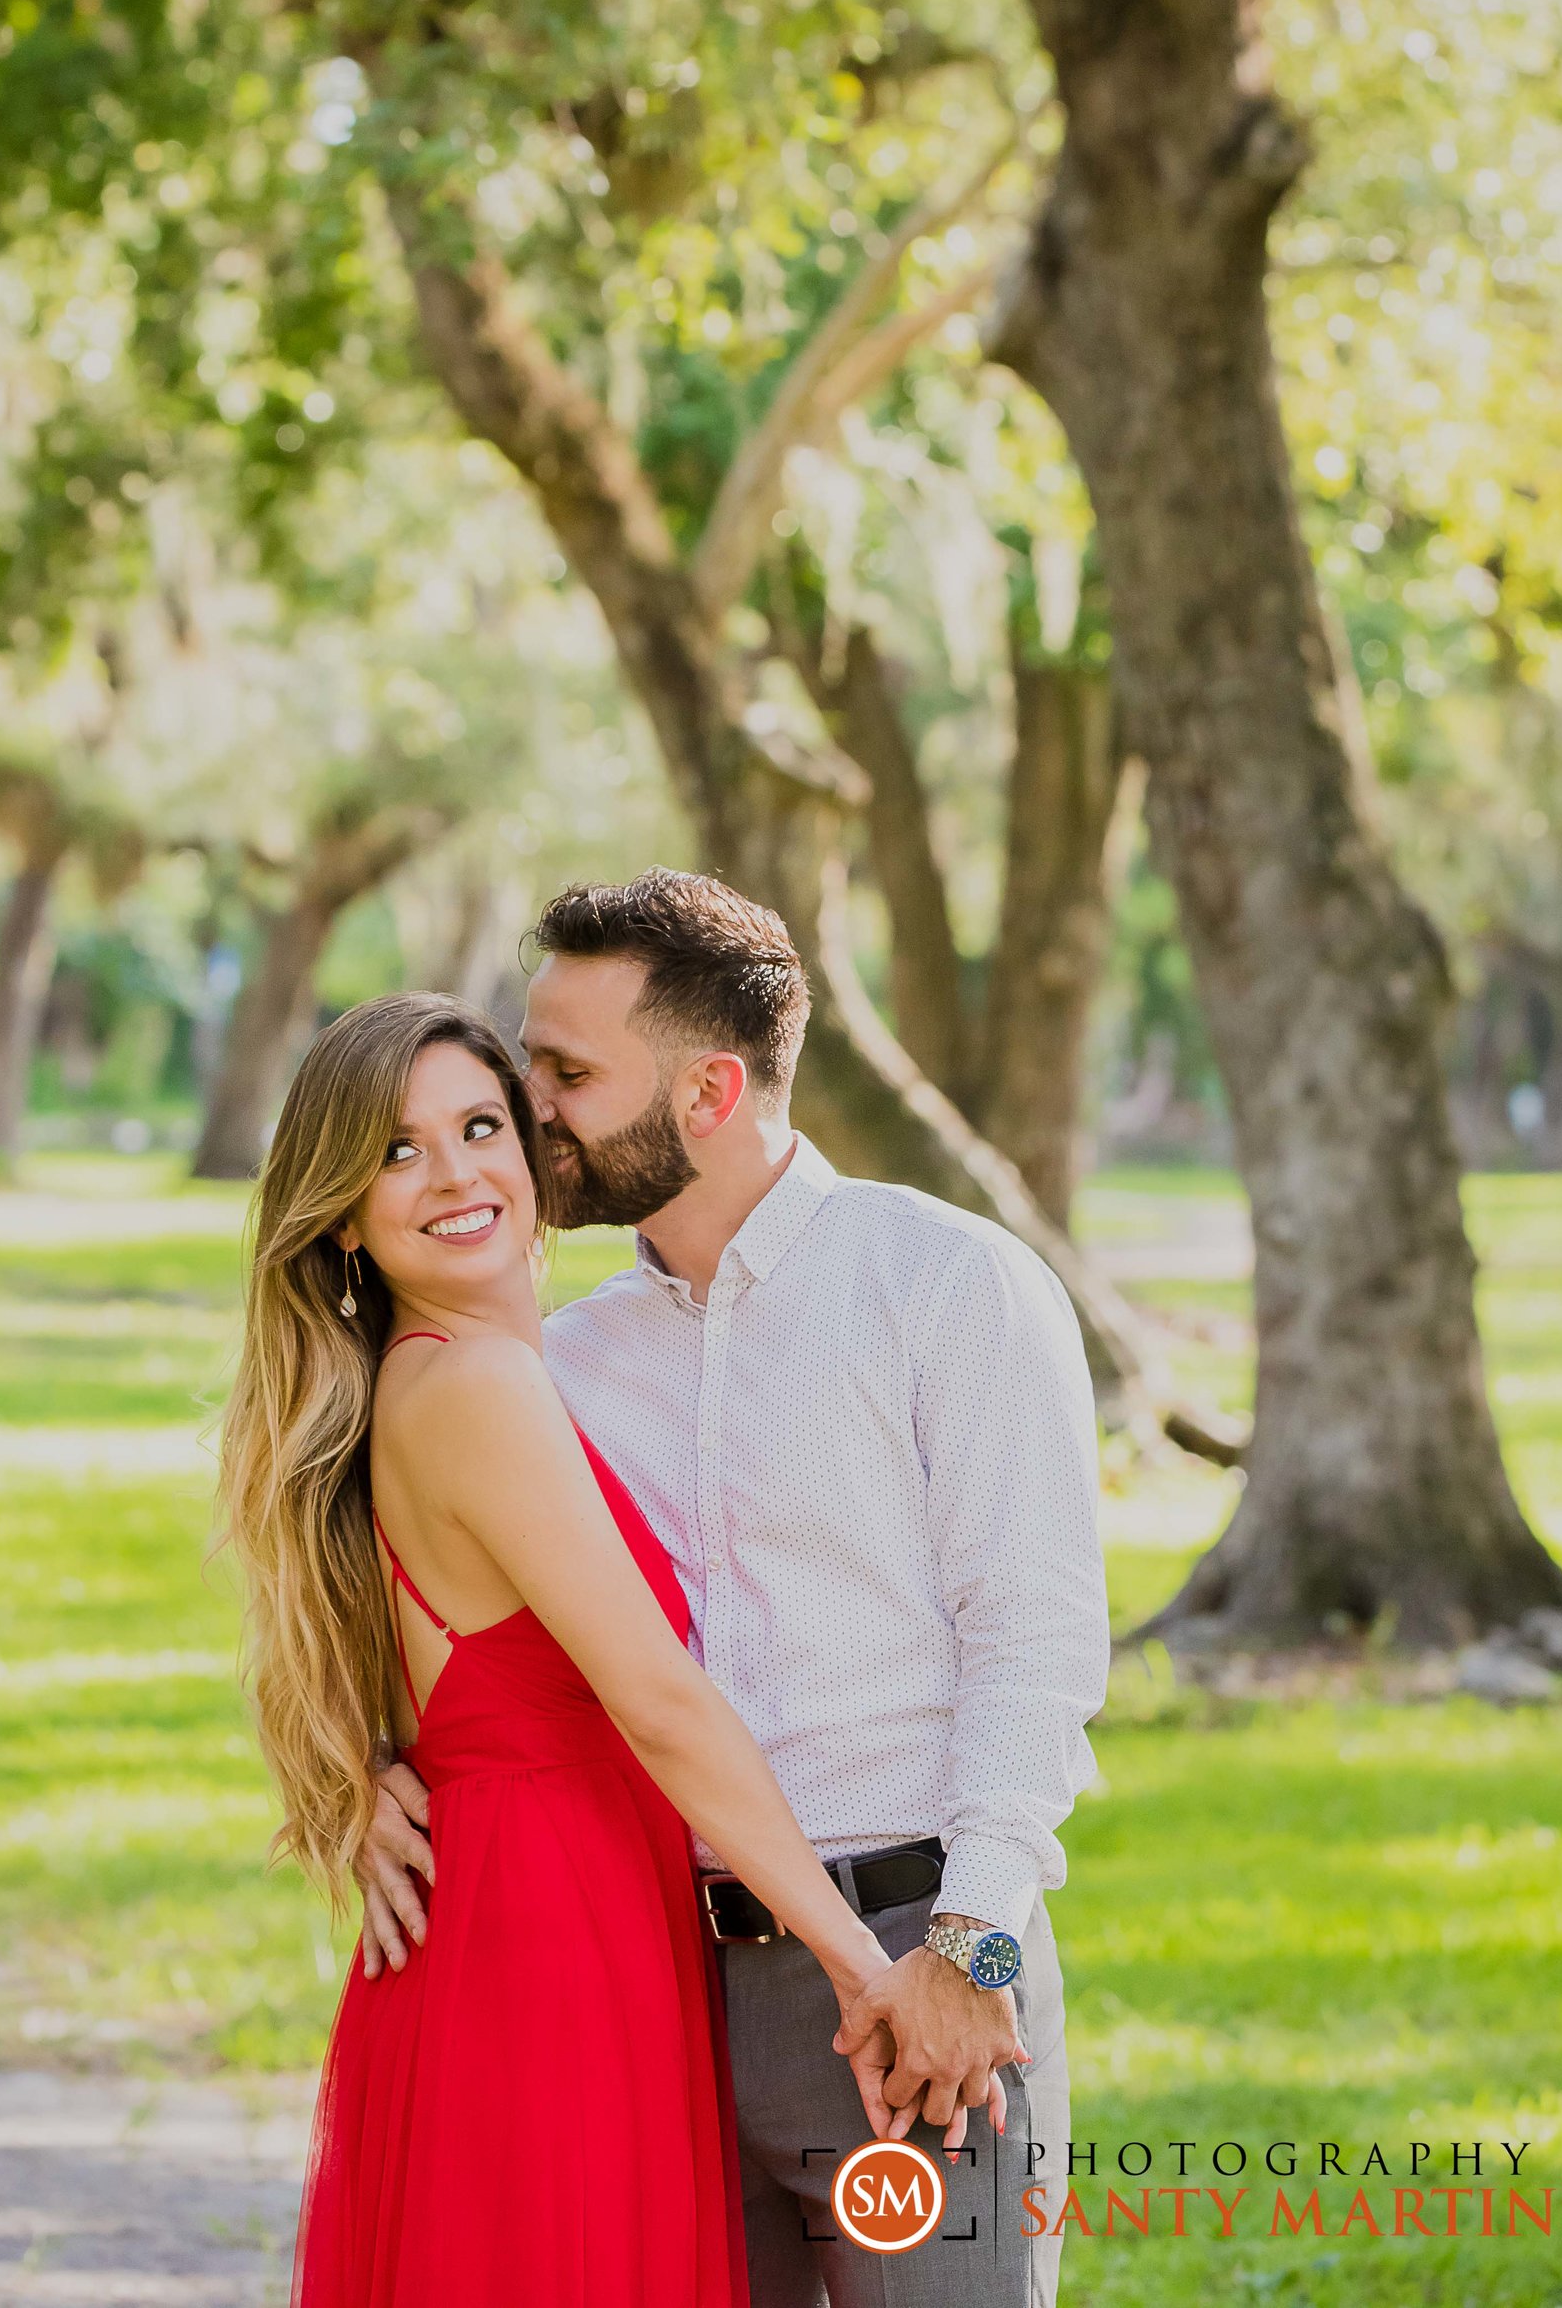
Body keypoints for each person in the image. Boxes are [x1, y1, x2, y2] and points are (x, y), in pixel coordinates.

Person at [357, 873, 1109, 2307]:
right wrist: (361, 1761)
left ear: (706, 1088)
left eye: (568, 1074)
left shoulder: (947, 1286)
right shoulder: (557, 1363)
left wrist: (970, 1943)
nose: (531, 1111)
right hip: (650, 2000)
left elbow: (1037, 1648)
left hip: (914, 1983)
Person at [220, 989, 994, 2308]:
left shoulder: (440, 1373)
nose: (456, 1171)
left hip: (541, 1914)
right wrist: (859, 1961)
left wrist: (372, 1758)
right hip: (544, 1944)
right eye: (398, 1150)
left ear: (534, 1147)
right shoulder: (474, 1385)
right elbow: (659, 1700)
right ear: (342, 1210)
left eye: (479, 1124)